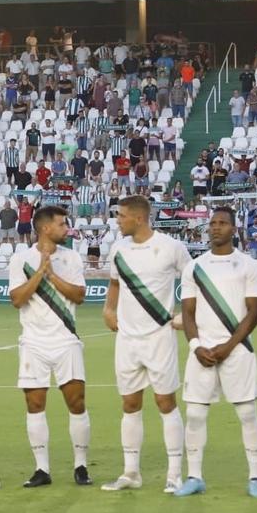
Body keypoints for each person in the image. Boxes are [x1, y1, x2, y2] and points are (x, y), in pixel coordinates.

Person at [173, 207, 257, 498]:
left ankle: (255, 478)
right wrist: (196, 346)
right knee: (196, 414)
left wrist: (227, 346)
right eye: (212, 223)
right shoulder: (194, 267)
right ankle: (195, 476)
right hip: (202, 352)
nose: (215, 228)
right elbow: (188, 313)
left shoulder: (249, 265)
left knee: (248, 412)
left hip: (237, 351)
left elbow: (255, 312)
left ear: (234, 229)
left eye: (223, 223)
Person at [101, 195, 190, 493]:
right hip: (127, 339)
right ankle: (130, 473)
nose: (118, 220)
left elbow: (193, 282)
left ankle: (175, 474)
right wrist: (109, 309)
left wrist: (185, 316)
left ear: (138, 218)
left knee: (166, 403)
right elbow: (114, 283)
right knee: (129, 404)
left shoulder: (170, 247)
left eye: (122, 216)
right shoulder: (118, 249)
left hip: (159, 337)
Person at [7, 205, 91, 488]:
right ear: (45, 228)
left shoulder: (72, 257)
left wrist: (52, 275)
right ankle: (41, 468)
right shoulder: (21, 259)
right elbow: (17, 299)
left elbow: (79, 295)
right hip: (33, 342)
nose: (66, 228)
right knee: (35, 404)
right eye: (62, 224)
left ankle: (81, 465)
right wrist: (39, 273)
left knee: (76, 403)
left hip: (66, 339)